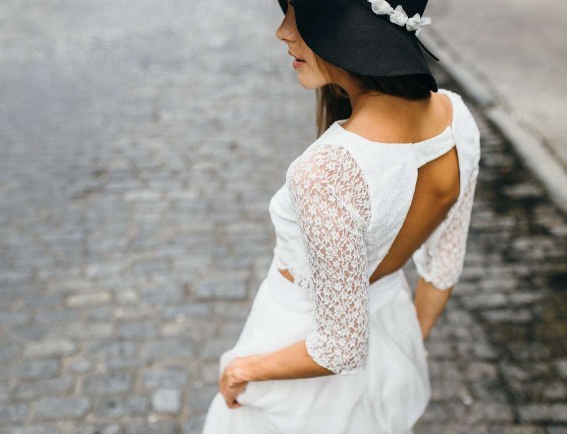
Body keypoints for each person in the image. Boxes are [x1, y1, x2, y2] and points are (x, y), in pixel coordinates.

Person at [202, 0, 481, 432]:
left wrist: (243, 370)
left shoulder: (328, 171)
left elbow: (340, 348)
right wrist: (407, 346)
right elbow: (443, 267)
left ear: (350, 32)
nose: (283, 32)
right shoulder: (456, 119)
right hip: (390, 328)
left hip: (294, 348)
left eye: (300, 14)